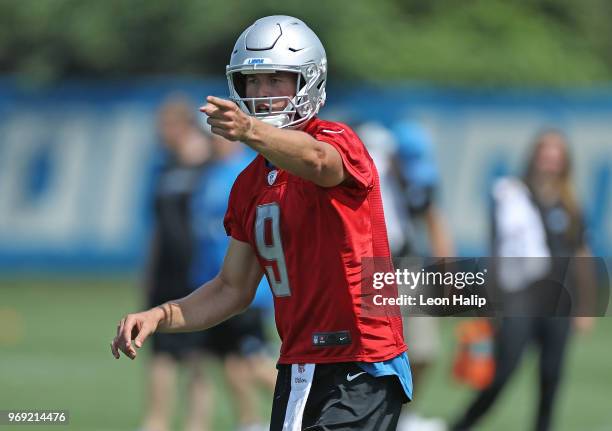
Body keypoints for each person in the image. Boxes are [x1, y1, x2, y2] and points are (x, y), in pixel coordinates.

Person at [111, 15, 412, 430]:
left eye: (276, 80)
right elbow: (231, 288)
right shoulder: (249, 184)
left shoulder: (338, 140)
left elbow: (316, 161)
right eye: (253, 82)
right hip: (298, 366)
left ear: (308, 81)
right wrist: (161, 316)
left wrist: (250, 129)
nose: (262, 94)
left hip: (361, 361)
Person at [451, 129, 594, 431]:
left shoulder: (569, 202)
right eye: (545, 153)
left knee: (551, 376)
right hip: (521, 298)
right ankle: (461, 425)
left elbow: (581, 253)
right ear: (534, 156)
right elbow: (497, 251)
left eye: (556, 155)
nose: (550, 161)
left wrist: (587, 304)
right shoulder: (512, 195)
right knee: (503, 372)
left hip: (559, 299)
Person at [357, 121, 452, 431]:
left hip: (408, 264)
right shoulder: (369, 173)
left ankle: (404, 415)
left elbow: (434, 221)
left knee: (424, 350)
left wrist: (446, 274)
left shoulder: (420, 179)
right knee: (376, 353)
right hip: (372, 269)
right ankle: (375, 414)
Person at [190, 127, 277, 431]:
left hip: (246, 288)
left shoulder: (246, 173)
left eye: (213, 137)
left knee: (254, 362)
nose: (208, 143)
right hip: (213, 284)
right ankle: (248, 421)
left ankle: (312, 410)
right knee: (228, 360)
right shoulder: (209, 175)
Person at [141, 95, 211, 431]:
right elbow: (158, 227)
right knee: (160, 352)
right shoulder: (165, 168)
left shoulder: (206, 167)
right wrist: (148, 272)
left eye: (166, 125)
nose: (160, 132)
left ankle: (196, 423)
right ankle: (156, 421)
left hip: (196, 274)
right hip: (165, 274)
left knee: (197, 355)